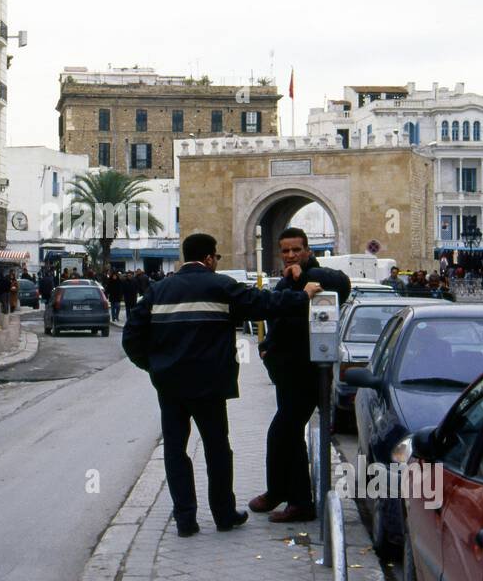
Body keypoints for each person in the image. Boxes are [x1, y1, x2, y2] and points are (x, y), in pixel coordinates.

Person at [122, 233, 317, 537]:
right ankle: (224, 514)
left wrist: (155, 367)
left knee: (175, 451)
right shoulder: (220, 286)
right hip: (210, 386)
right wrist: (302, 295)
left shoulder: (158, 291)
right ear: (210, 258)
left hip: (171, 387)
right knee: (217, 450)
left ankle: (185, 520)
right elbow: (262, 303)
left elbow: (131, 337)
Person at [252, 228, 352, 522]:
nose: (291, 255)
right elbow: (276, 317)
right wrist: (265, 347)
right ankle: (285, 494)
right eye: (286, 251)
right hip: (285, 374)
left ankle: (295, 500)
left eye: (296, 250)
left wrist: (305, 276)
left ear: (307, 250)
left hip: (306, 374)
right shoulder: (284, 282)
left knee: (282, 432)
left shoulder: (318, 276)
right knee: (286, 434)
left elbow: (341, 284)